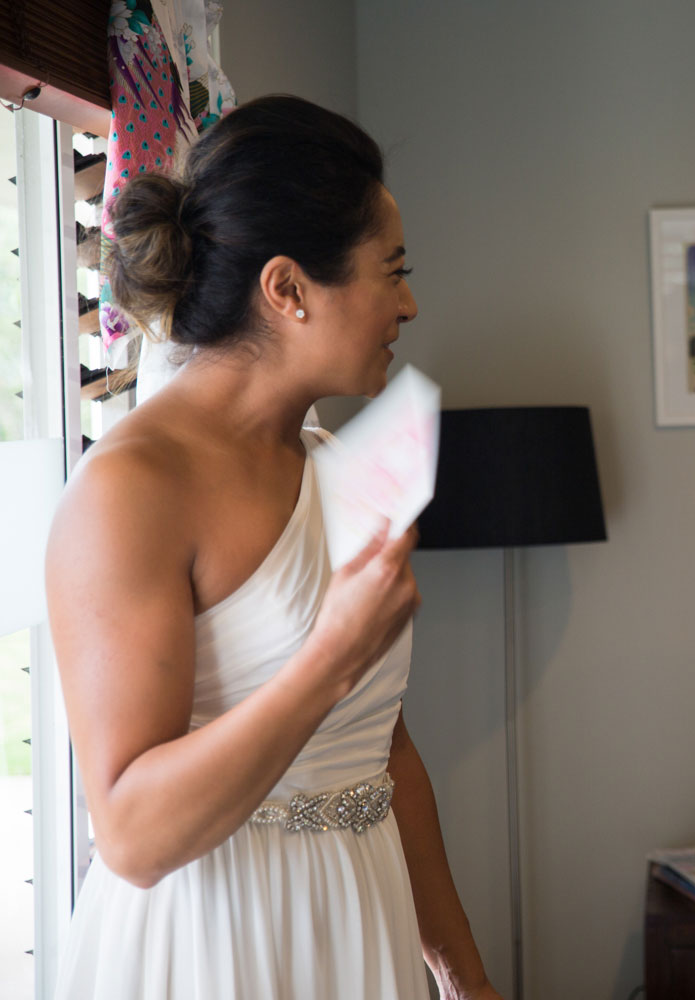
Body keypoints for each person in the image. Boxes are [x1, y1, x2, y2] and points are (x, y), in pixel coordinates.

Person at [45, 95, 501, 999]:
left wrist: (461, 972)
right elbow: (130, 835)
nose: (408, 305)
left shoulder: (343, 466)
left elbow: (385, 746)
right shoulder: (130, 490)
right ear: (288, 288)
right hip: (210, 943)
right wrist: (329, 656)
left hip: (361, 924)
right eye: (392, 272)